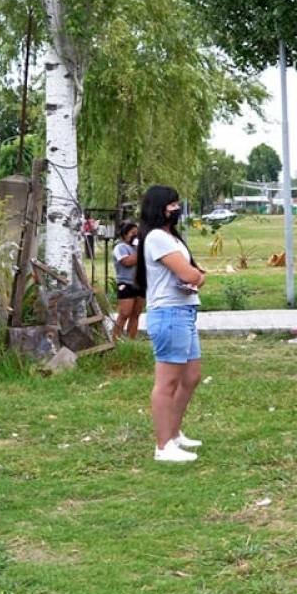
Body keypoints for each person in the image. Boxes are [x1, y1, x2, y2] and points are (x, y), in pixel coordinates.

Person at [135, 186, 207, 463]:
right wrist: (196, 276)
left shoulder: (171, 237)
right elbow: (190, 274)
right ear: (159, 208)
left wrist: (196, 276)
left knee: (191, 377)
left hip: (185, 310)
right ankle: (163, 445)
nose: (177, 209)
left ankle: (174, 434)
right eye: (172, 205)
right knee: (168, 381)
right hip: (169, 313)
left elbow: (196, 275)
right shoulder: (156, 237)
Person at [111, 221, 144, 342]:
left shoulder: (138, 248)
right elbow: (127, 262)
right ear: (125, 234)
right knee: (124, 313)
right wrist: (140, 251)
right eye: (132, 233)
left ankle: (131, 342)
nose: (135, 236)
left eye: (137, 233)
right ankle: (115, 341)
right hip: (126, 284)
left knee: (136, 315)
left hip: (140, 284)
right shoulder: (120, 247)